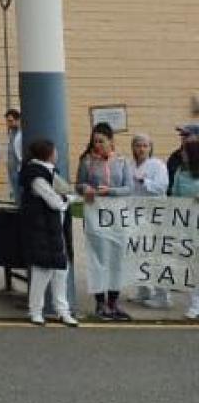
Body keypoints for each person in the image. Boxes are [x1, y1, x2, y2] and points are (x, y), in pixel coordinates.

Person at [76, 124, 135, 321]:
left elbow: (129, 188)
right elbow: (79, 185)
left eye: (101, 141)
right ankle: (100, 303)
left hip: (117, 216)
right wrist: (87, 189)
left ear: (111, 141)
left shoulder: (123, 161)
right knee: (98, 259)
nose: (98, 145)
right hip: (96, 216)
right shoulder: (86, 162)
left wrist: (110, 191)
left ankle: (113, 301)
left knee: (116, 259)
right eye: (95, 141)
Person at [18, 138, 79, 327]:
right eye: (55, 151)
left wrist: (65, 198)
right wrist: (67, 199)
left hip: (55, 229)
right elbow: (55, 202)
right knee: (42, 270)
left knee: (61, 269)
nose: (57, 154)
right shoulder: (36, 175)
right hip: (41, 229)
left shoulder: (48, 172)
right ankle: (35, 310)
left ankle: (63, 310)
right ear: (48, 153)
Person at [128, 133, 170, 309]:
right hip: (136, 215)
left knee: (157, 255)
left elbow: (162, 186)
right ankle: (144, 290)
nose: (142, 149)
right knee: (138, 253)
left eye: (145, 145)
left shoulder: (157, 165)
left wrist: (144, 181)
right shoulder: (129, 166)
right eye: (138, 145)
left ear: (151, 147)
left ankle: (162, 296)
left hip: (156, 215)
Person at [170, 134, 199, 320]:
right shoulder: (180, 172)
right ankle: (195, 305)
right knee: (193, 267)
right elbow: (174, 194)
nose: (183, 155)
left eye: (186, 152)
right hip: (188, 224)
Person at [5, 109, 23, 203]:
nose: (9, 123)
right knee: (16, 193)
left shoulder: (23, 133)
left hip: (19, 168)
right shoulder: (11, 133)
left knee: (20, 192)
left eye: (11, 121)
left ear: (18, 119)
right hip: (12, 168)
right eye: (8, 121)